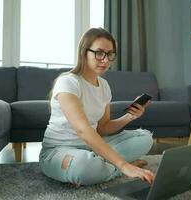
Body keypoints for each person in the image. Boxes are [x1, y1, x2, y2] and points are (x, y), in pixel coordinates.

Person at [39, 28, 155, 186]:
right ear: (84, 52)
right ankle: (113, 166)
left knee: (145, 138)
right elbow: (83, 130)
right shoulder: (68, 82)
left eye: (110, 54)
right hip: (58, 150)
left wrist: (130, 116)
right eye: (99, 53)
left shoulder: (104, 86)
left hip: (92, 146)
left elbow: (103, 128)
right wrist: (124, 165)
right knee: (85, 168)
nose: (105, 60)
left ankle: (104, 164)